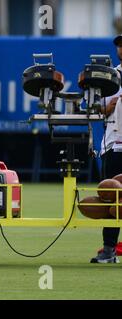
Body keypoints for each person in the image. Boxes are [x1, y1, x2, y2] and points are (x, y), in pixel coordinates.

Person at [90, 35, 122, 263]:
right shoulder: (113, 76)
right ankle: (109, 250)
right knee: (112, 197)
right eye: (120, 45)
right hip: (114, 143)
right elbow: (98, 108)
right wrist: (108, 106)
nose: (121, 48)